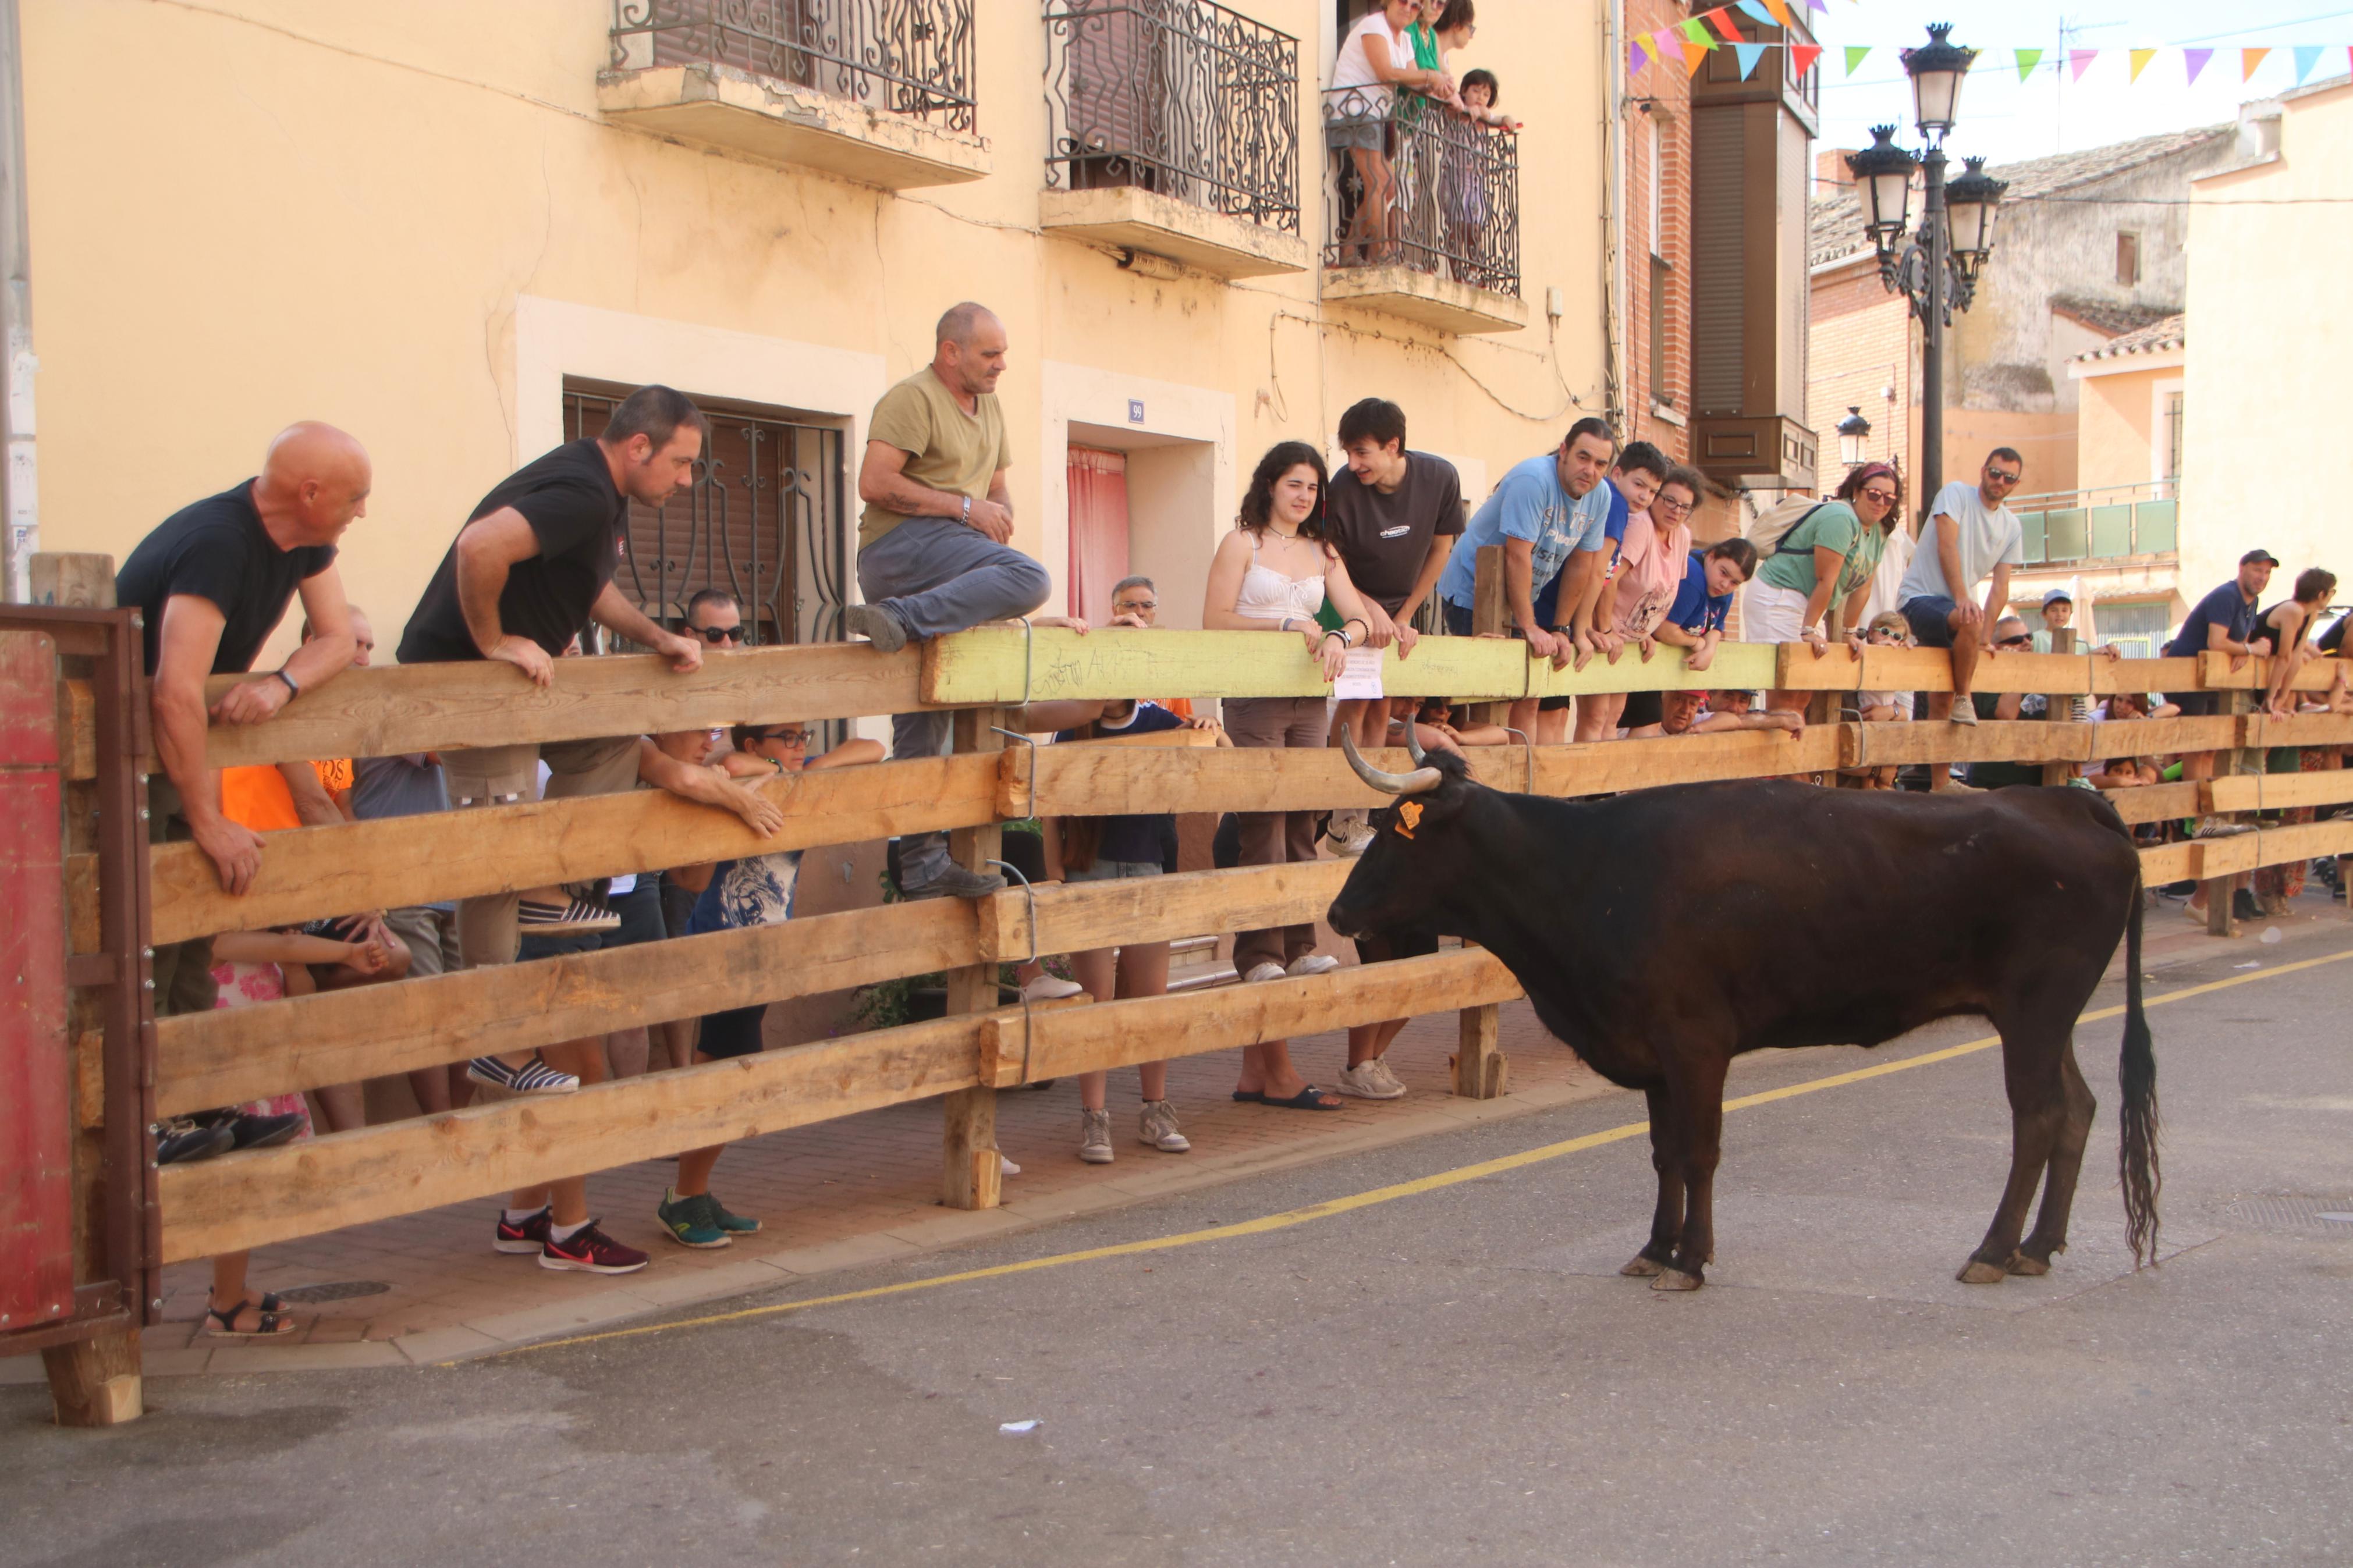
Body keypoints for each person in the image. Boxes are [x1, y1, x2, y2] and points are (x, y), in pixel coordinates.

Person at [113, 421, 372, 1337]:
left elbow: (340, 635)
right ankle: (155, 1114)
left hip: (182, 760)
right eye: (352, 496)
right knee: (151, 932)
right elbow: (173, 688)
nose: (362, 512)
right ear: (305, 492)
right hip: (133, 764)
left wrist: (283, 686)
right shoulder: (222, 543)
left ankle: (200, 1105)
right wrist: (208, 811)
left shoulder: (304, 540)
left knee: (187, 939)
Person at [398, 382, 712, 1006]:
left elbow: (588, 587)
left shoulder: (599, 490)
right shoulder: (583, 491)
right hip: (469, 685)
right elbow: (478, 546)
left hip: (513, 689)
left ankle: (546, 889)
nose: (686, 482)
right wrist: (494, 640)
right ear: (639, 446)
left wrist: (656, 637)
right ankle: (497, 1041)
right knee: (497, 855)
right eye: (681, 464)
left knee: (611, 745)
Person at [842, 302, 1049, 901]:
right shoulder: (913, 398)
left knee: (921, 720)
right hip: (898, 551)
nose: (1001, 365)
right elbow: (873, 483)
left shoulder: (990, 406)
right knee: (1030, 581)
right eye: (989, 354)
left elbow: (996, 486)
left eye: (1003, 353)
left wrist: (997, 511)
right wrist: (964, 510)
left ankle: (922, 862)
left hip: (947, 550)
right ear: (949, 351)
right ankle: (899, 618)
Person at [650, 721, 885, 1247]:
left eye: (805, 735)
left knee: (726, 1072)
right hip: (724, 949)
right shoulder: (735, 785)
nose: (800, 746)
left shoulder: (786, 778)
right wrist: (777, 770)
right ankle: (684, 1196)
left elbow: (874, 746)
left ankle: (694, 1191)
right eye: (787, 737)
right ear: (753, 743)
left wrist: (804, 766)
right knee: (729, 1078)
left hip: (763, 955)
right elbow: (727, 765)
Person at [1202, 441, 1380, 1112]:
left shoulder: (1322, 553)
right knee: (1262, 823)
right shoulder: (1240, 543)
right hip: (1251, 694)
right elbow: (1213, 618)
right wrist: (1284, 621)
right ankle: (1258, 952)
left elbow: (1357, 615)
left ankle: (1302, 943)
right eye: (1293, 484)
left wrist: (1341, 636)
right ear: (1269, 485)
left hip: (1312, 695)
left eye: (1312, 487)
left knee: (1302, 816)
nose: (1303, 496)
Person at [1030, 699, 1200, 1163]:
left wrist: (1210, 726)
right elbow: (1050, 810)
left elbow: (1215, 754)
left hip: (1148, 868)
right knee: (1096, 1000)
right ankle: (1095, 1118)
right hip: (1088, 872)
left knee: (1151, 999)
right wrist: (1054, 879)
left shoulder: (1158, 721)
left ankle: (1155, 1110)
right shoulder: (1072, 728)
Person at [1322, 397, 1464, 852]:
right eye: (1347, 453)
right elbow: (1331, 558)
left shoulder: (1439, 477)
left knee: (1384, 708)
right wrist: (1366, 611)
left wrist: (1404, 615)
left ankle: (1363, 816)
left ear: (1393, 446)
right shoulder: (1343, 486)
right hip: (1347, 599)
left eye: (1362, 452)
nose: (1353, 463)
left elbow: (1442, 549)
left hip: (1399, 606)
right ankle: (1339, 817)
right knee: (1357, 701)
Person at [1436, 417, 1621, 739]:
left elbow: (1582, 563)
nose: (1590, 470)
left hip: (1520, 597)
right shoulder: (1534, 479)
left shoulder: (1601, 496)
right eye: (1583, 457)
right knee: (1494, 698)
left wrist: (1561, 629)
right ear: (1564, 451)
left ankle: (1523, 778)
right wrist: (1530, 626)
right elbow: (1516, 555)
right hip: (1473, 593)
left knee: (1531, 694)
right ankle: (1480, 781)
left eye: (1600, 463)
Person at [1749, 461, 1903, 724]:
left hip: (1808, 604)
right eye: (1874, 494)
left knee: (1805, 692)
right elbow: (1826, 580)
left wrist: (1848, 632)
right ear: (1857, 490)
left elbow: (1863, 586)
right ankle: (1780, 762)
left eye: (1889, 498)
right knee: (1787, 691)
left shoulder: (1880, 530)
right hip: (1780, 595)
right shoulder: (1840, 518)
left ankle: (1794, 761)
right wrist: (1809, 630)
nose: (1881, 503)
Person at [1896, 448, 2027, 729]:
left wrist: (1985, 638)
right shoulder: (1956, 494)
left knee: (1942, 706)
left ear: (2016, 484)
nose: (2000, 481)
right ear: (1983, 471)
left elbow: (2001, 586)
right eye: (1995, 473)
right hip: (1919, 600)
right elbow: (1947, 546)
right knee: (1970, 618)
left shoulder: (2012, 527)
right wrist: (1963, 599)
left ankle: (1940, 775)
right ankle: (1965, 697)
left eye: (2008, 477)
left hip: (1954, 614)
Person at [1580, 448, 1692, 741]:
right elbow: (1609, 577)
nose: (1675, 511)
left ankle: (1601, 788)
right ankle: (1585, 789)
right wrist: (1604, 628)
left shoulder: (1683, 536)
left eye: (1685, 507)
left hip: (1630, 639)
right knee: (1596, 716)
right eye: (1669, 500)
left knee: (1613, 717)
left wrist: (1647, 632)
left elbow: (1660, 594)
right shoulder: (1639, 524)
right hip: (1606, 632)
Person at [1328, 2, 1449, 266]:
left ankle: (1348, 251)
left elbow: (1415, 80)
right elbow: (1386, 73)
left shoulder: (1404, 39)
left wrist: (1443, 90)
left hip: (1374, 114)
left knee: (1389, 184)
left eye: (1416, 6)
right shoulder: (1374, 26)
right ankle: (1382, 253)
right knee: (1380, 180)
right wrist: (1430, 75)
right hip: (1354, 109)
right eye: (1403, 1)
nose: (1409, 8)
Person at [2163, 549, 2279, 786]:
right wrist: (2250, 650)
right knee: (2198, 746)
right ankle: (2193, 816)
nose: (2263, 577)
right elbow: (2216, 642)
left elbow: (2241, 640)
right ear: (2242, 568)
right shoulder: (2227, 596)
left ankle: (2207, 808)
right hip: (2188, 675)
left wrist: (2244, 650)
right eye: (2258, 570)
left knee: (2212, 747)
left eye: (2267, 572)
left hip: (2214, 679)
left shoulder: (2253, 601)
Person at [1651, 534, 1757, 704]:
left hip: (1668, 671)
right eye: (1723, 573)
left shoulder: (1724, 591)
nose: (1725, 585)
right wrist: (1695, 643)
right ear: (1711, 556)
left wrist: (1710, 650)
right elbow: (1664, 630)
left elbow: (1717, 627)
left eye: (1735, 582)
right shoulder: (1693, 576)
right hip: (1642, 653)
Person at [2259, 567, 2338, 719]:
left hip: (2273, 667)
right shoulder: (2294, 610)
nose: (2332, 596)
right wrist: (2270, 698)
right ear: (2321, 594)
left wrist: (2282, 698)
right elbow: (2284, 657)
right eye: (2332, 591)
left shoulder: (2312, 614)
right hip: (2261, 663)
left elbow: (2295, 657)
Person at [1621, 689, 1805, 739]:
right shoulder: (1641, 727)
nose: (1686, 710)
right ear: (1663, 698)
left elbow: (1734, 720)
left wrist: (1700, 728)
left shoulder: (1695, 723)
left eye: (1693, 704)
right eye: (1679, 700)